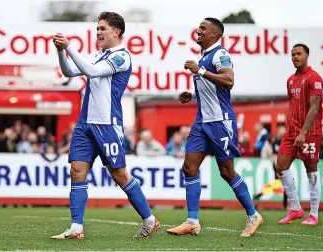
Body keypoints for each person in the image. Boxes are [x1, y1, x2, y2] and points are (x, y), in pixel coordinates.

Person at [50, 12, 159, 240]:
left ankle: (149, 220)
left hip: (107, 124)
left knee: (119, 175)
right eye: (97, 28)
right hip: (85, 123)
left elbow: (91, 72)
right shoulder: (99, 55)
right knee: (77, 171)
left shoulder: (122, 57)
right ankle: (76, 228)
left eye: (102, 28)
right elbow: (69, 72)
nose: (98, 32)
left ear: (116, 31)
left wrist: (69, 47)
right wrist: (61, 51)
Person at [165, 17, 263, 237]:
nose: (198, 31)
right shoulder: (204, 56)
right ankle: (192, 221)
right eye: (198, 27)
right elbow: (213, 91)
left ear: (215, 35)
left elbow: (228, 81)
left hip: (220, 122)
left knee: (226, 172)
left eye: (203, 28)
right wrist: (192, 95)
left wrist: (199, 71)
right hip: (202, 122)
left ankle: (253, 215)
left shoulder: (220, 54)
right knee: (189, 168)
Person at [275, 44, 323, 226]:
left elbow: (314, 107)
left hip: (309, 132)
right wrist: (291, 128)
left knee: (311, 170)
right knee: (281, 165)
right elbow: (293, 106)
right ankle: (295, 209)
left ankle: (314, 214)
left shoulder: (314, 78)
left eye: (299, 54)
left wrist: (303, 132)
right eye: (293, 54)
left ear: (307, 56)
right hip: (292, 132)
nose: (295, 57)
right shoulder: (290, 80)